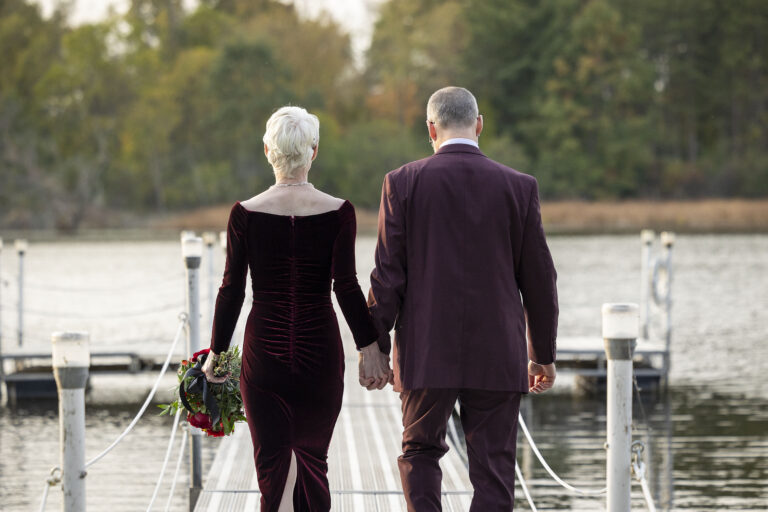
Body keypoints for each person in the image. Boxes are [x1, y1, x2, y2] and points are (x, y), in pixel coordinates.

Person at [364, 86, 559, 511]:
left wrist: (375, 347)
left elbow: (387, 277)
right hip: (498, 351)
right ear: (479, 125)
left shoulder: (402, 183)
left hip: (426, 349)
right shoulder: (519, 187)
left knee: (420, 453)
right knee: (494, 467)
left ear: (430, 129)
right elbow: (540, 279)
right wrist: (542, 353)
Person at [201, 106, 392, 511]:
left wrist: (217, 354)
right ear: (314, 151)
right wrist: (369, 346)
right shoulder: (339, 212)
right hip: (319, 356)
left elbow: (231, 289)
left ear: (267, 150)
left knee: (272, 466)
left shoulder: (244, 214)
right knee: (312, 460)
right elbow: (346, 287)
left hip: (263, 357)